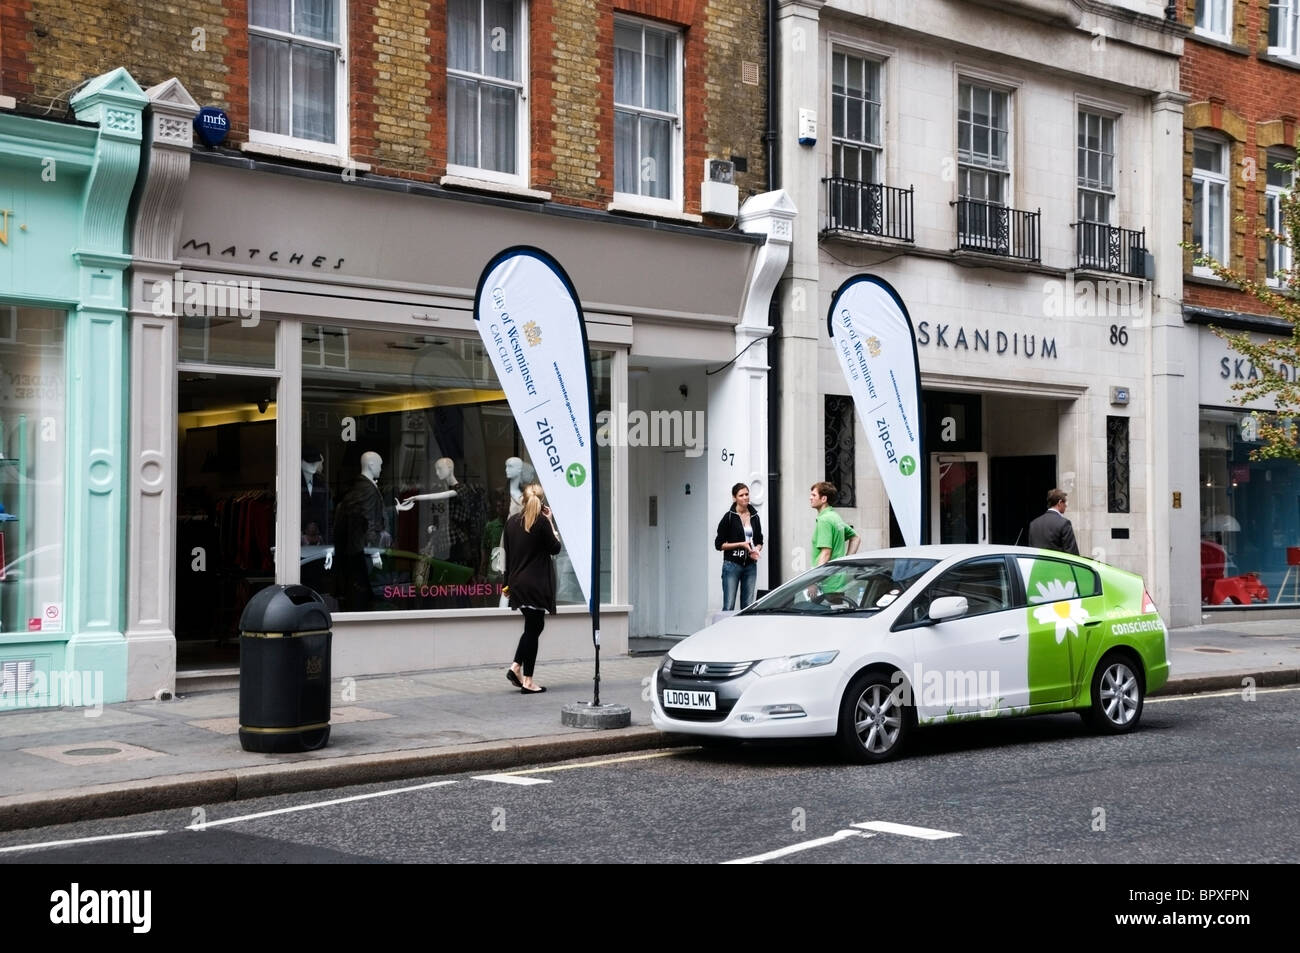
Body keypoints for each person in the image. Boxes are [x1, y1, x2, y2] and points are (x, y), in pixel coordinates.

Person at [504, 484, 562, 694]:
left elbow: (508, 557)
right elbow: (555, 548)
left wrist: (506, 584)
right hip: (536, 584)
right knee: (533, 628)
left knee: (533, 627)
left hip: (518, 583)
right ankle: (526, 679)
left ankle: (517, 668)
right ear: (541, 501)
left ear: (523, 499)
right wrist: (550, 522)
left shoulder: (511, 522)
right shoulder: (541, 523)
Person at [330, 451, 390, 611]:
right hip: (362, 555)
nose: (381, 468)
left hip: (354, 554)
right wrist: (375, 553)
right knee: (363, 597)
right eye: (380, 464)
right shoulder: (368, 489)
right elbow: (369, 522)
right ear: (371, 465)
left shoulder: (357, 487)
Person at [714, 482, 764, 610]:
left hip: (750, 565)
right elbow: (719, 544)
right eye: (741, 495)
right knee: (729, 605)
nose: (745, 497)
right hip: (732, 565)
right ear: (734, 498)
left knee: (748, 607)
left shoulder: (755, 516)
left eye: (747, 494)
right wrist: (741, 544)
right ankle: (726, 630)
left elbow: (759, 540)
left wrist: (756, 549)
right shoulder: (729, 517)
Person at [809, 481, 858, 601]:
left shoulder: (824, 520)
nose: (810, 498)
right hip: (837, 581)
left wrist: (813, 581)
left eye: (814, 495)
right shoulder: (835, 517)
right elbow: (856, 538)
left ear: (823, 498)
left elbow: (825, 553)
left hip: (826, 585)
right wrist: (845, 562)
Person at [1027, 487, 1079, 555]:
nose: (1066, 505)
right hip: (1057, 565)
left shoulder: (1033, 524)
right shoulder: (1064, 523)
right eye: (1065, 503)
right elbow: (1072, 553)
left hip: (1037, 565)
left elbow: (1030, 551)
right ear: (1060, 502)